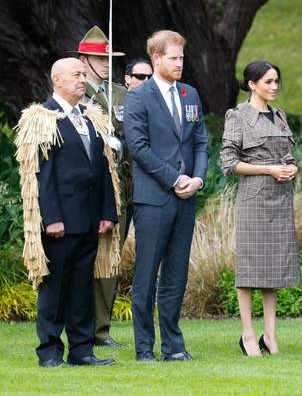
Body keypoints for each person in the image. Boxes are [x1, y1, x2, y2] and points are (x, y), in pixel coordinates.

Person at [14, 57, 119, 367]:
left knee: (82, 288)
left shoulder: (90, 117)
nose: (82, 79)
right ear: (57, 79)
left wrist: (107, 212)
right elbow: (41, 174)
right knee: (55, 288)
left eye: (84, 74)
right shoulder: (43, 118)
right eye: (76, 74)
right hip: (61, 220)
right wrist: (52, 218)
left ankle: (82, 351)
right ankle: (49, 352)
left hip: (90, 219)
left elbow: (103, 168)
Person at [124, 30, 208, 362]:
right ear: (156, 58)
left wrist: (197, 179)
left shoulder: (190, 94)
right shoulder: (138, 97)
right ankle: (144, 347)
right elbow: (138, 148)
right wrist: (174, 179)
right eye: (173, 58)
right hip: (154, 199)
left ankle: (173, 346)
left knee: (176, 276)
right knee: (146, 277)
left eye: (182, 58)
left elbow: (200, 142)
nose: (179, 63)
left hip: (186, 198)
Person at [220, 61, 300, 357]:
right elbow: (228, 163)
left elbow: (287, 155)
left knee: (273, 269)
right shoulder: (238, 115)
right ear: (252, 85)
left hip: (280, 200)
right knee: (250, 269)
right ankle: (248, 334)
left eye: (276, 81)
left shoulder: (279, 116)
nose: (274, 86)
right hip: (254, 201)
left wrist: (290, 168)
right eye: (268, 81)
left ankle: (270, 334)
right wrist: (269, 169)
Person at [75, 26, 128, 348]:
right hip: (88, 188)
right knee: (84, 258)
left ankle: (101, 329)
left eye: (109, 58)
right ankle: (81, 327)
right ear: (84, 60)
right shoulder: (77, 95)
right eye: (100, 59)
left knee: (111, 260)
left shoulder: (119, 94)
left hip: (119, 186)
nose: (107, 63)